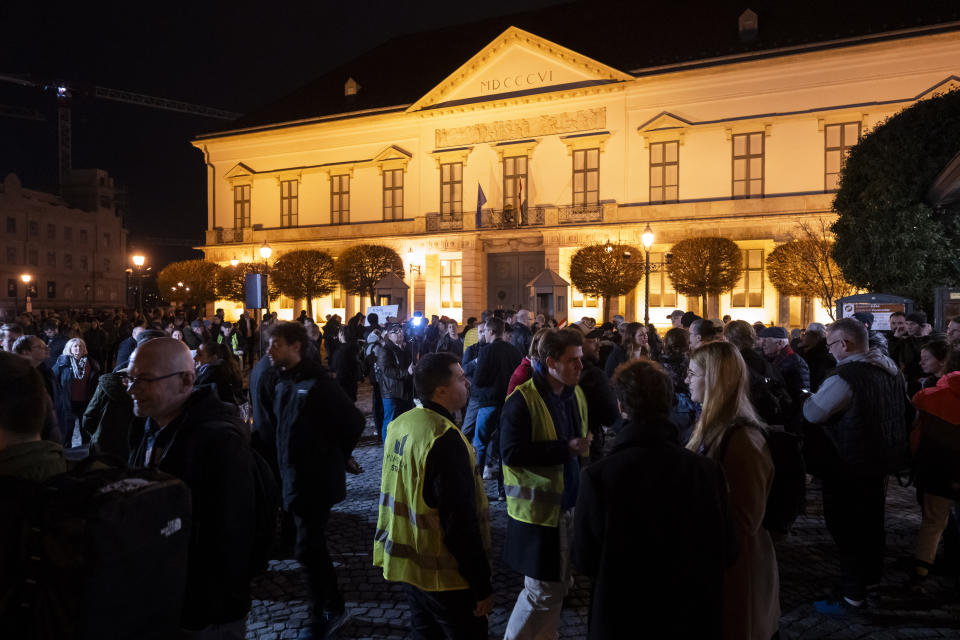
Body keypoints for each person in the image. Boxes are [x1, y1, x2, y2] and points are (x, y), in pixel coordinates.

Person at [574, 359, 736, 639]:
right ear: (669, 403)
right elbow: (727, 549)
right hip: (690, 615)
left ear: (622, 407)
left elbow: (585, 560)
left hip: (623, 616)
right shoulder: (706, 471)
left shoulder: (599, 477)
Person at [127, 338, 256, 637]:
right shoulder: (149, 426)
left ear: (186, 380)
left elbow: (230, 536)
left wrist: (196, 607)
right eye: (129, 378)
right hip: (162, 601)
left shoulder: (219, 442)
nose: (132, 389)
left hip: (202, 612)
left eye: (144, 379)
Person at [374, 352, 493, 639]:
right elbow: (459, 521)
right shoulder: (445, 438)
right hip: (446, 575)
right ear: (441, 390)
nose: (467, 382)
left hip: (408, 566)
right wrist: (481, 584)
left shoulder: (402, 423)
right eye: (460, 377)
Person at [802, 318, 908, 614]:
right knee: (872, 526)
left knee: (848, 530)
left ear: (844, 344)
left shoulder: (846, 377)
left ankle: (852, 597)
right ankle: (870, 583)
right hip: (880, 460)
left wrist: (808, 399)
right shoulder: (889, 369)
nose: (830, 351)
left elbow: (813, 413)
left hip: (849, 464)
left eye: (831, 344)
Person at [267, 322, 364, 639]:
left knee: (307, 548)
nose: (270, 349)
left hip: (315, 483)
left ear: (296, 346)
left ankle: (320, 616)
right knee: (312, 548)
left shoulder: (318, 383)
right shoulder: (284, 383)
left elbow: (353, 420)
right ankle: (334, 607)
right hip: (293, 480)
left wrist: (337, 455)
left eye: (276, 343)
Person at [500, 329, 592, 639]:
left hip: (567, 505)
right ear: (550, 361)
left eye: (581, 360)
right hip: (536, 513)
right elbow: (510, 453)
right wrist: (566, 448)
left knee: (555, 588)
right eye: (572, 361)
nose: (580, 366)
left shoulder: (574, 393)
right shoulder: (522, 400)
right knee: (541, 590)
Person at [685, 340, 780, 640]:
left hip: (736, 570)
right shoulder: (714, 427)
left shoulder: (741, 439)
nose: (685, 380)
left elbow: (744, 519)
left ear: (713, 378)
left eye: (692, 373)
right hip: (717, 563)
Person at [471, 317, 523, 473]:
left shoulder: (486, 351)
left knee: (480, 443)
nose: (484, 334)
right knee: (504, 444)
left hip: (489, 402)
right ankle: (502, 488)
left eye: (485, 331)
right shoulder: (514, 351)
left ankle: (477, 480)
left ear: (491, 331)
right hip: (508, 403)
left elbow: (479, 380)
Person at [576, 327, 619, 463]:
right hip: (588, 445)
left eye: (598, 340)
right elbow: (611, 415)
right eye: (592, 341)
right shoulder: (594, 375)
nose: (598, 345)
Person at [53, 337, 100, 447]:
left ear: (84, 349)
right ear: (69, 348)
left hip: (85, 401)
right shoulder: (62, 362)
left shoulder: (91, 363)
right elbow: (54, 381)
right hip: (68, 401)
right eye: (75, 346)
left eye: (81, 346)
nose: (78, 348)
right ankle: (66, 452)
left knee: (86, 429)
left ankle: (86, 452)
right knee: (67, 430)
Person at [759, 326, 811, 416]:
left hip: (788, 417)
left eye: (766, 341)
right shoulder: (772, 359)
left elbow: (801, 396)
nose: (762, 344)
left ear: (780, 343)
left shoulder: (796, 363)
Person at [377, 323, 416, 441]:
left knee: (404, 419)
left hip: (406, 390)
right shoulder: (385, 350)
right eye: (396, 331)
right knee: (390, 421)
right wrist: (406, 372)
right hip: (391, 391)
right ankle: (387, 446)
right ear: (389, 335)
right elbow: (387, 370)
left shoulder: (406, 348)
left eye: (401, 330)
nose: (400, 333)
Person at [194, 340, 243, 406]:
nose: (194, 358)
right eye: (196, 353)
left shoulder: (211, 376)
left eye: (200, 355)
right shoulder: (221, 368)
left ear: (213, 358)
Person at [796, 322, 836, 392]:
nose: (803, 337)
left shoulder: (824, 356)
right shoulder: (805, 351)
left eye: (807, 334)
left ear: (816, 336)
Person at [331, 325, 362, 402]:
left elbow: (338, 369)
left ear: (341, 334)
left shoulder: (341, 351)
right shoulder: (354, 347)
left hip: (344, 385)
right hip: (352, 382)